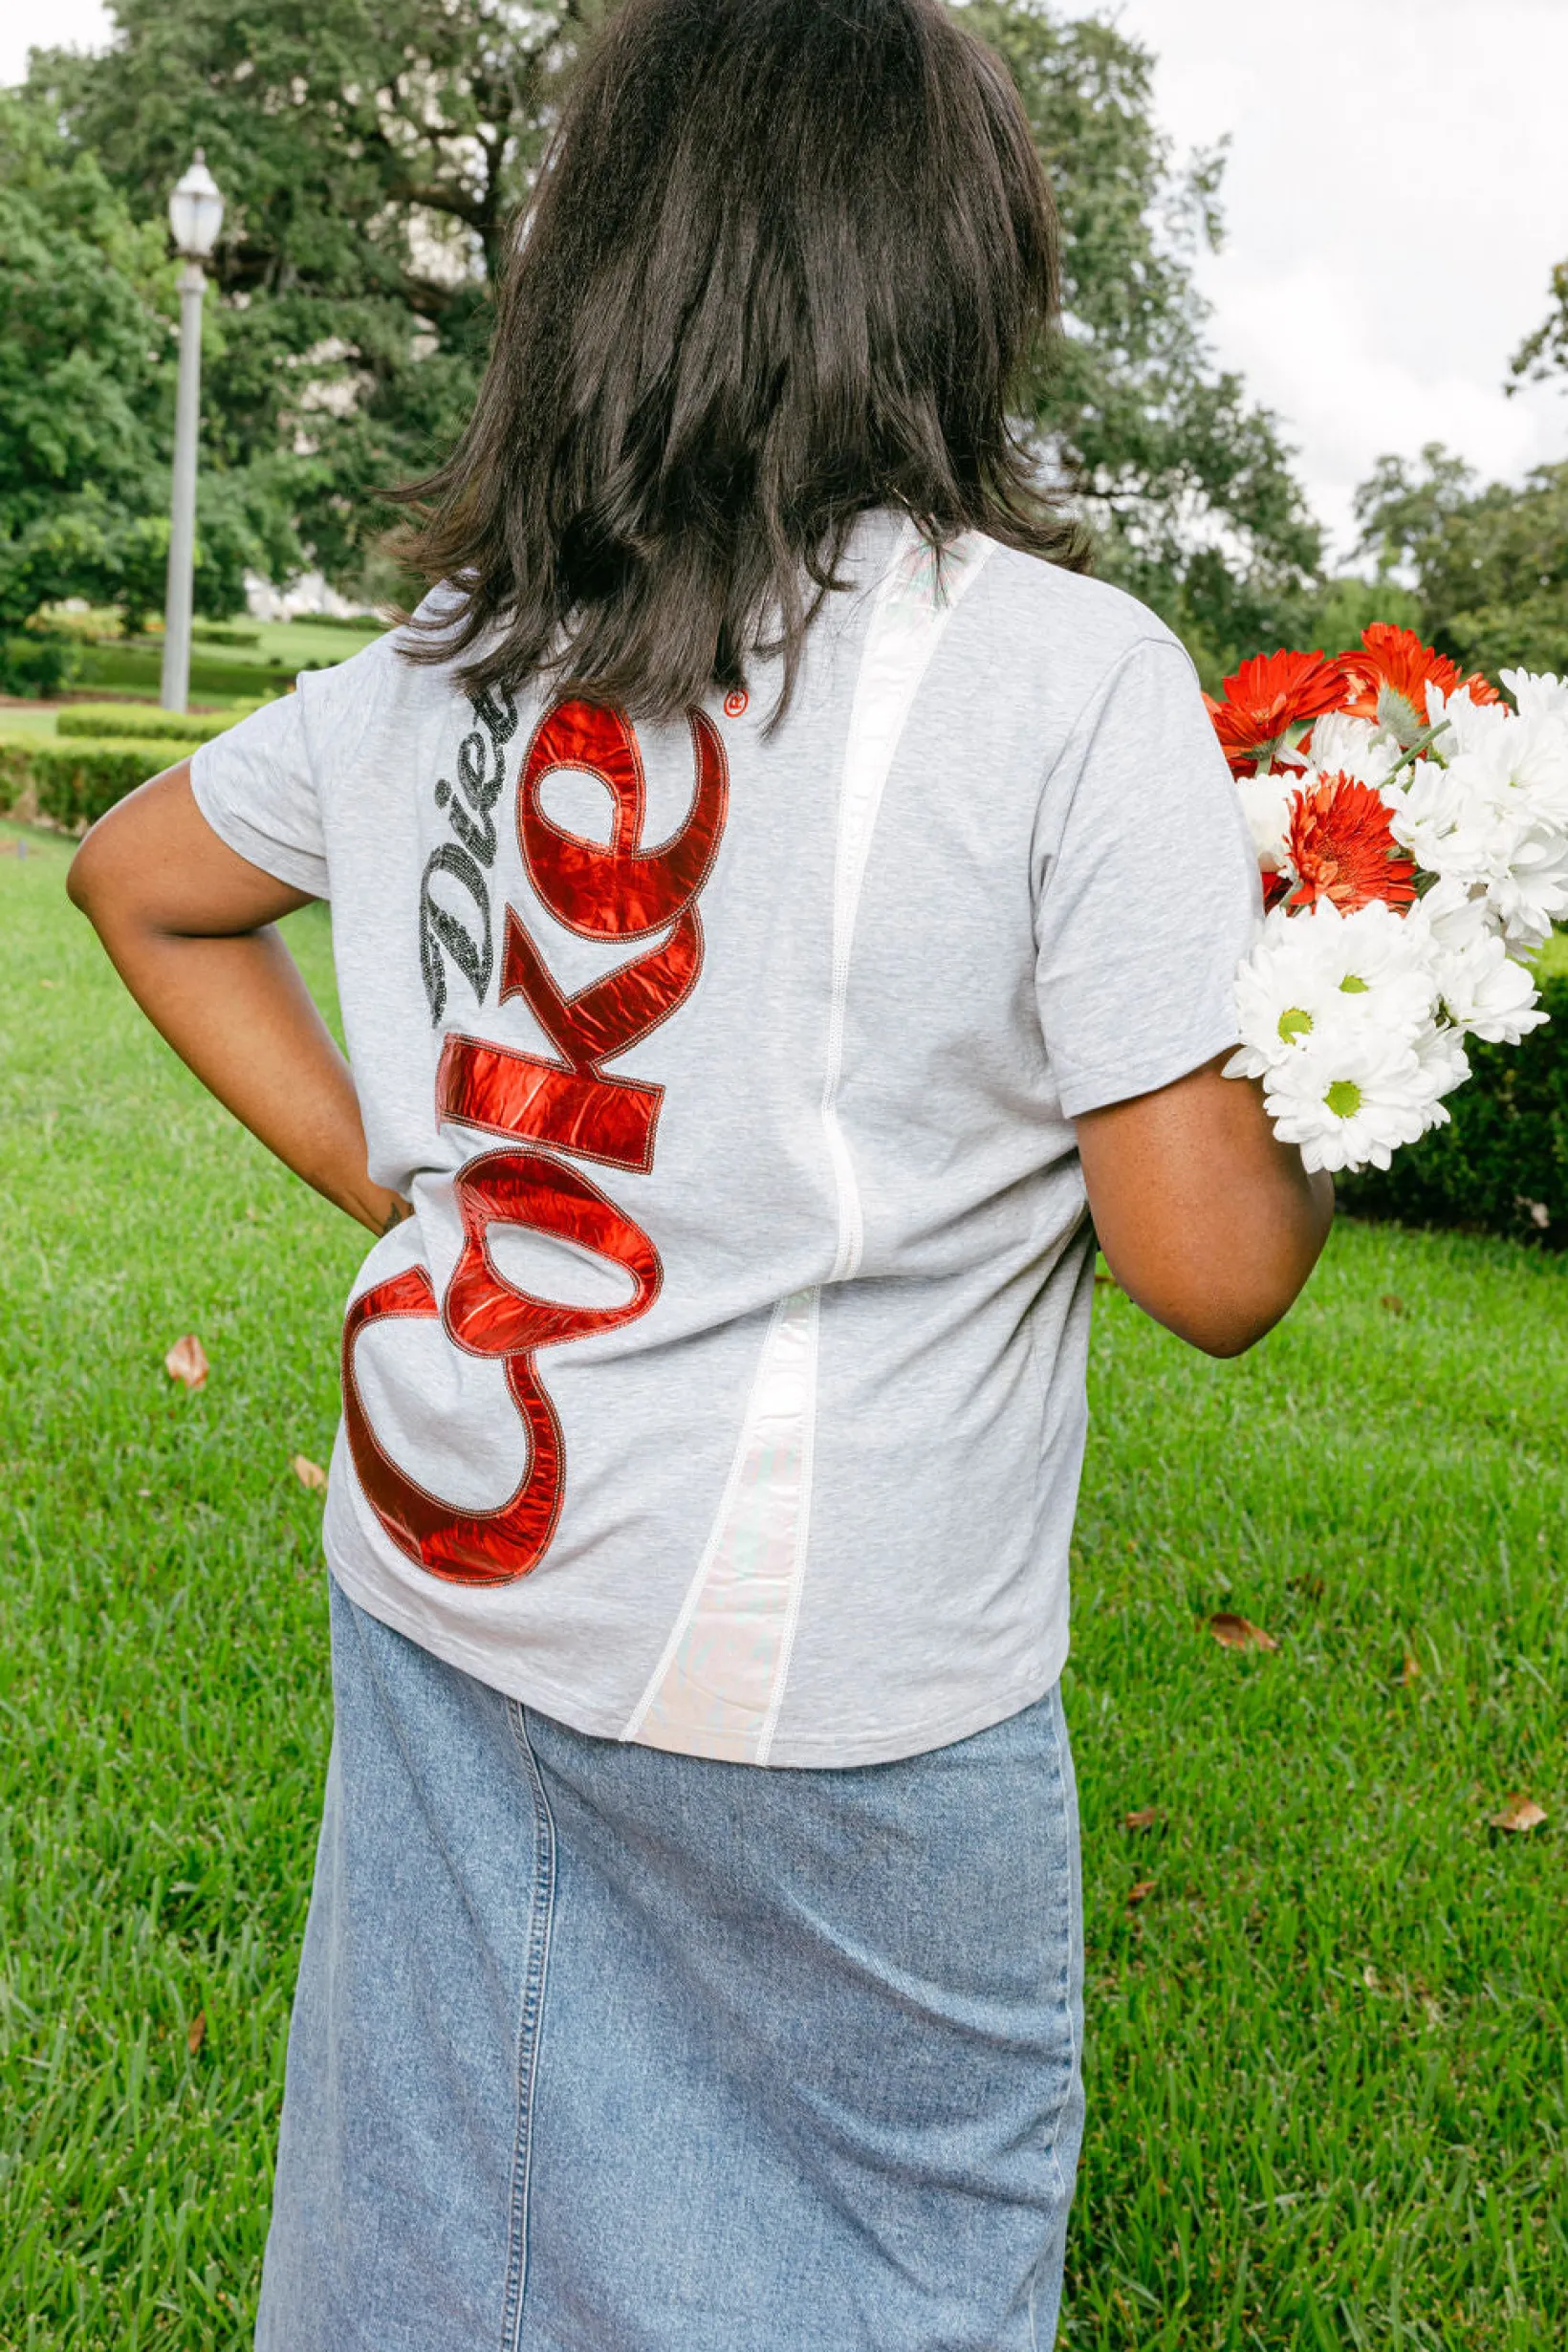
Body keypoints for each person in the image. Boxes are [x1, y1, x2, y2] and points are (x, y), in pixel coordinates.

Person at [67, 1, 1333, 2343]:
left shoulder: (453, 656)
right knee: (877, 2262)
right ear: (956, 270)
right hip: (832, 1689)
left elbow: (141, 884)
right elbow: (1212, 1263)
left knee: (439, 2206)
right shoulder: (1062, 675)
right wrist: (1340, 1083)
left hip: (451, 1551)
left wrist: (421, 1184)